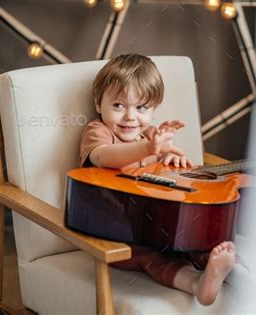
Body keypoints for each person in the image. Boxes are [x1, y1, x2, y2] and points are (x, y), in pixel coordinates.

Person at [78, 53, 236, 305]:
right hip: (118, 233)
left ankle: (228, 270)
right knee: (154, 258)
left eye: (141, 108)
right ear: (98, 103)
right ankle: (196, 284)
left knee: (200, 240)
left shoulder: (151, 134)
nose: (130, 117)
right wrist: (150, 149)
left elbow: (170, 164)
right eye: (118, 105)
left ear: (153, 110)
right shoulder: (98, 131)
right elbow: (104, 157)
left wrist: (173, 160)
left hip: (161, 225)